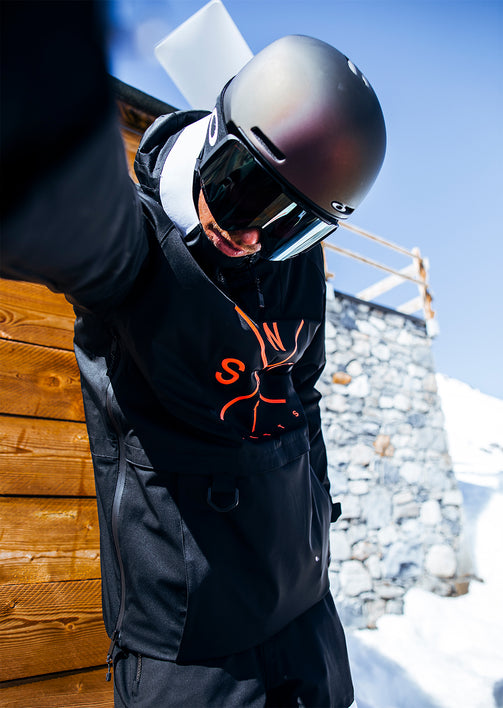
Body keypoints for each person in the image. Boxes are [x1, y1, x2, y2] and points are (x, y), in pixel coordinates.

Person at [1, 2, 385, 706]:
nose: (254, 237)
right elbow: (66, 212)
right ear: (216, 135)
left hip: (306, 615)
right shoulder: (138, 254)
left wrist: (315, 525)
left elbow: (304, 396)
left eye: (293, 225)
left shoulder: (291, 264)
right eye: (248, 195)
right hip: (194, 645)